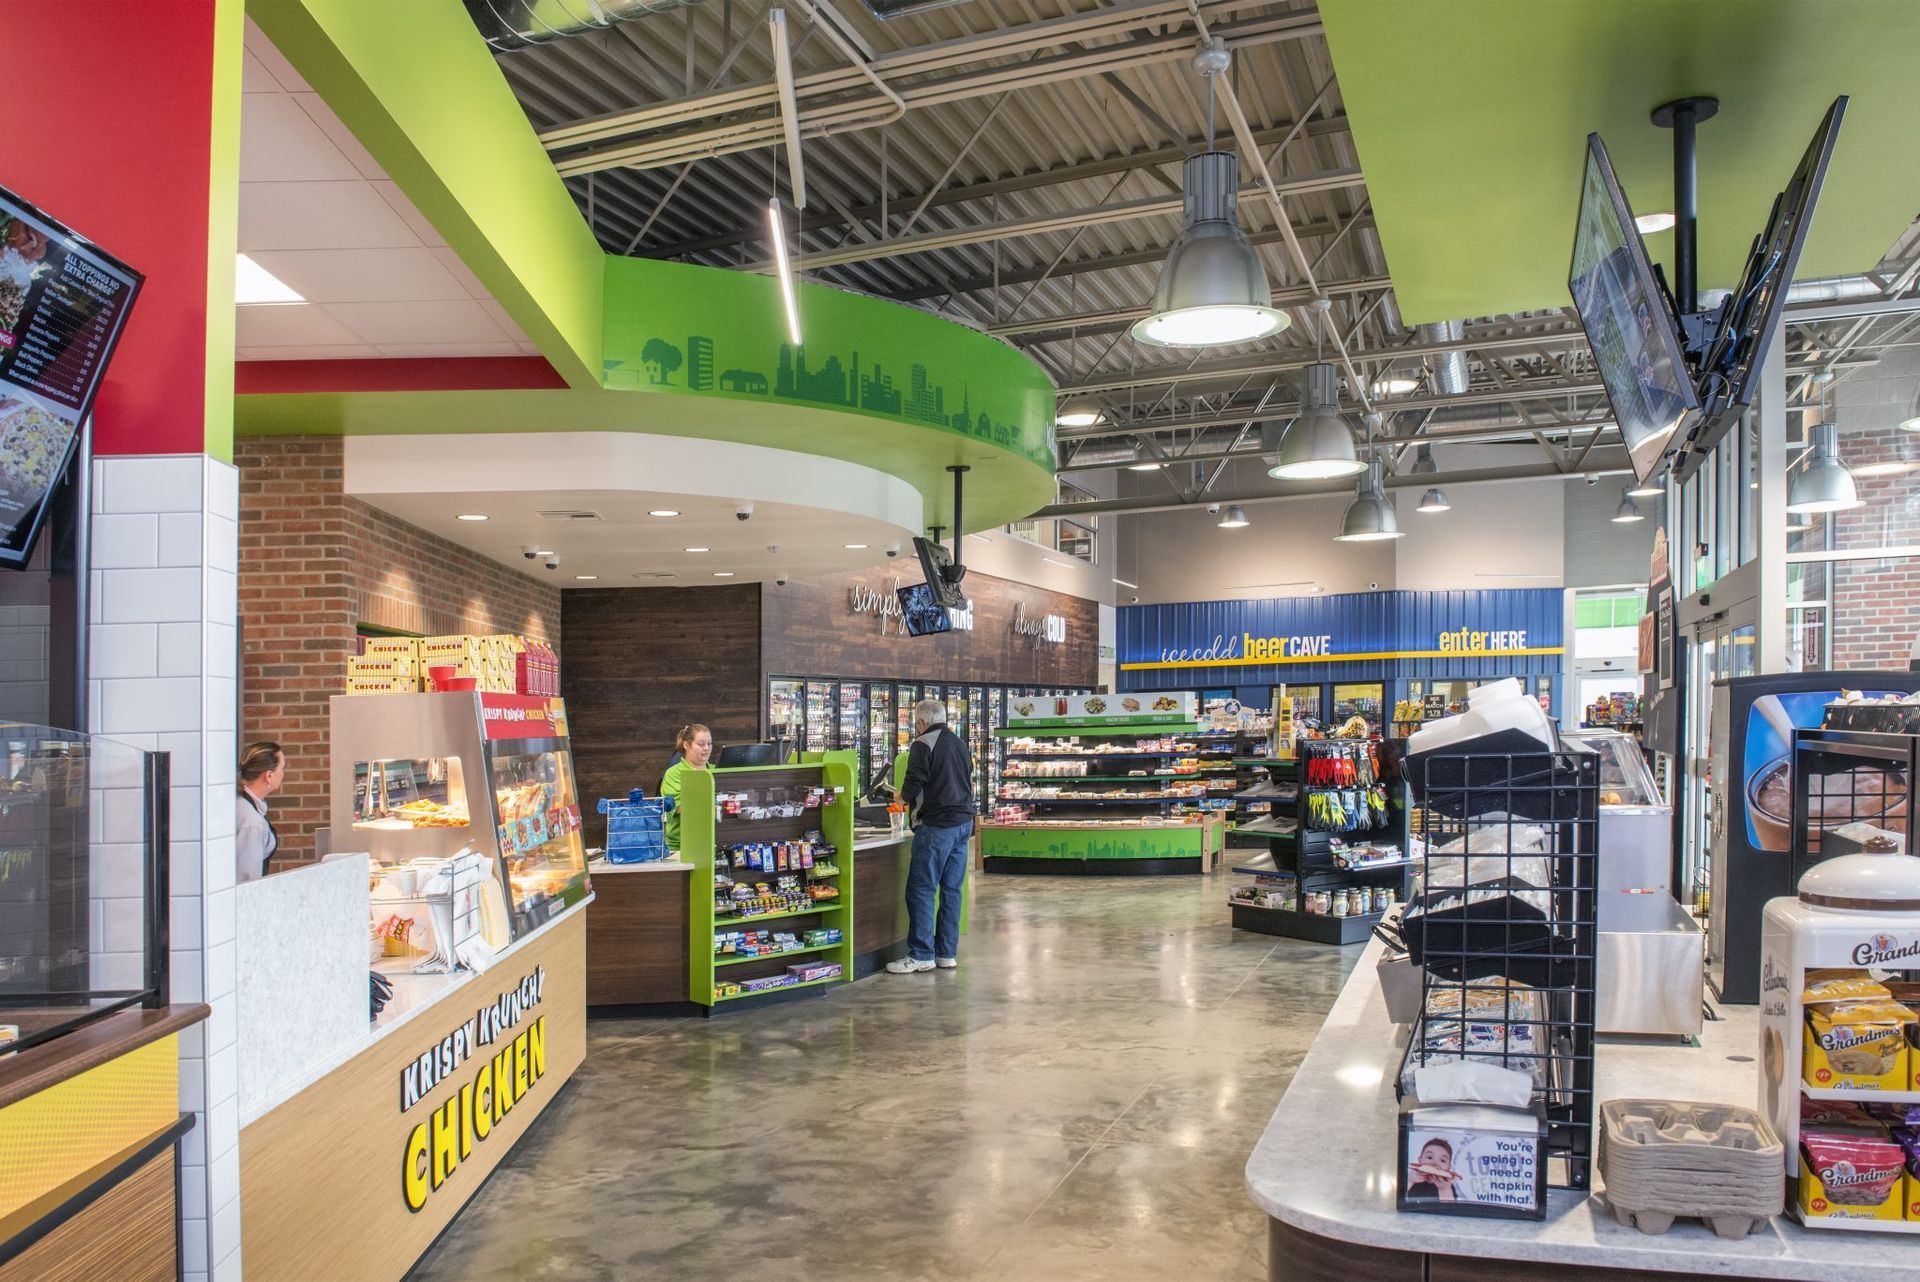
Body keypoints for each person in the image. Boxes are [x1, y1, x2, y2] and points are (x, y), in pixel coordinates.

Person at [887, 698, 974, 974]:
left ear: (921, 722)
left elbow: (913, 783)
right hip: (963, 824)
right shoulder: (960, 744)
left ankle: (921, 954)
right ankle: (946, 953)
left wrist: (901, 797)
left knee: (921, 889)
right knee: (951, 890)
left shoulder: (923, 744)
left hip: (936, 825)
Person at [235, 741, 285, 883]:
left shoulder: (242, 804)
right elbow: (246, 882)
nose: (283, 774)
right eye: (282, 768)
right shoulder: (252, 823)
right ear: (269, 775)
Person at [659, 723, 712, 851]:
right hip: (681, 847)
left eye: (709, 744)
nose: (706, 748)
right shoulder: (673, 773)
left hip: (714, 843)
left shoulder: (716, 771)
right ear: (686, 745)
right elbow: (678, 807)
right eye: (701, 744)